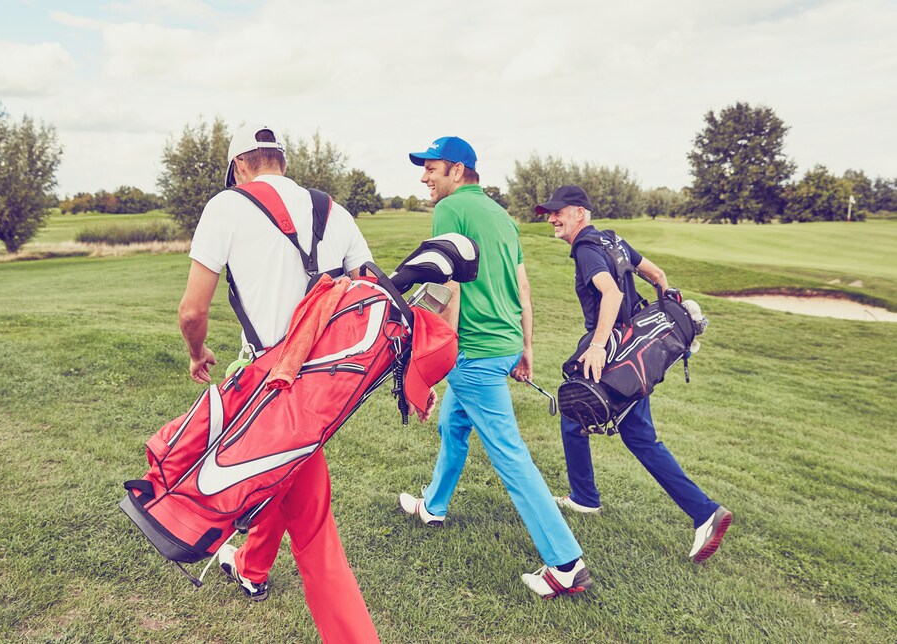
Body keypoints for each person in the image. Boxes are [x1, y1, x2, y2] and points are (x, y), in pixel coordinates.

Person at [178, 123, 380, 642]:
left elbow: (192, 311)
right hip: (329, 382)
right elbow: (371, 289)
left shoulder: (227, 205)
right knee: (282, 473)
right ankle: (251, 568)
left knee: (315, 534)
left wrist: (198, 352)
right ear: (280, 161)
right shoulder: (334, 210)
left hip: (270, 383)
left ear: (240, 165)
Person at [397, 136, 593, 599]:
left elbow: (450, 289)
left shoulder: (451, 210)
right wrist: (525, 348)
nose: (424, 177)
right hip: (504, 344)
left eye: (432, 168)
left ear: (458, 171)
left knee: (509, 454)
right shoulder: (501, 215)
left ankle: (565, 563)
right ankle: (434, 505)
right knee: (453, 426)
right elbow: (522, 288)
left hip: (476, 351)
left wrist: (432, 361)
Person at [537, 184, 732, 563]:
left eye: (558, 212)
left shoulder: (587, 248)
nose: (552, 218)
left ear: (580, 213)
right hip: (636, 349)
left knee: (612, 425)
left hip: (613, 354)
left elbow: (609, 294)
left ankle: (704, 511)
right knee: (590, 423)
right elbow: (657, 275)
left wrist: (597, 345)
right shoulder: (614, 240)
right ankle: (584, 498)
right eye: (549, 213)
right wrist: (659, 310)